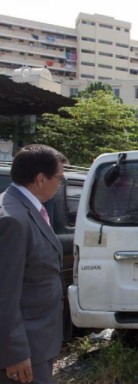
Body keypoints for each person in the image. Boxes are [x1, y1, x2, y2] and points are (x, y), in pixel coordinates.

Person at [0, 144, 68, 384]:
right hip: (25, 347)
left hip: (39, 341)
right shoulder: (13, 220)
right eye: (59, 178)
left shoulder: (26, 209)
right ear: (41, 178)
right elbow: (4, 294)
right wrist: (15, 352)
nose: (60, 184)